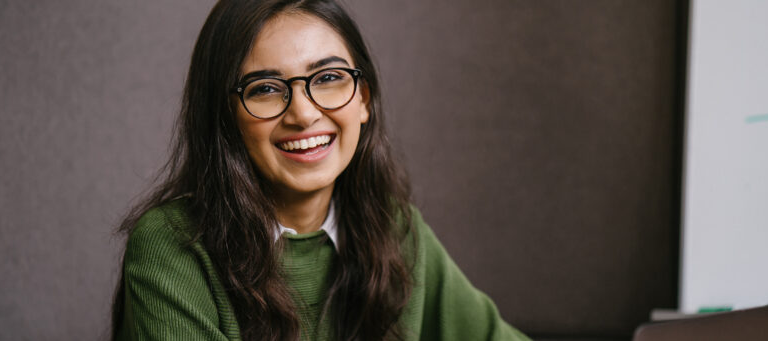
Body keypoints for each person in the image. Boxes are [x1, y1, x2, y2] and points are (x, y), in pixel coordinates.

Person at [110, 0, 530, 340]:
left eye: (328, 77)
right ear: (224, 116)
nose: (305, 114)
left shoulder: (395, 228)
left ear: (363, 98)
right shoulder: (174, 246)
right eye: (266, 89)